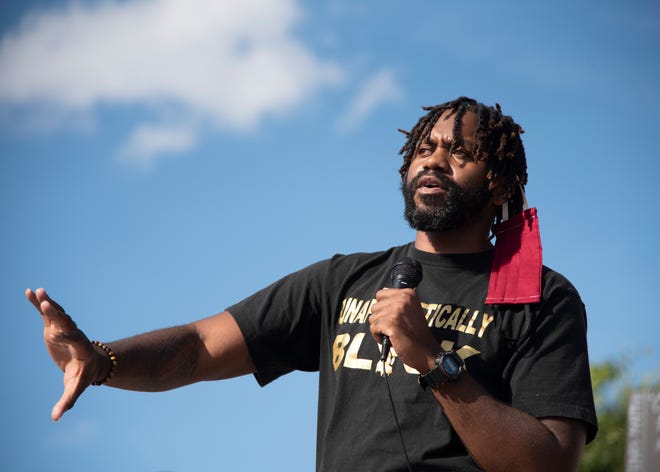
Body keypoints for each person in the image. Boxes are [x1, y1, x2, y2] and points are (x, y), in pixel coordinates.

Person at [26, 96, 597, 471]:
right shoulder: (342, 281)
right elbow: (200, 348)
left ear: (499, 188)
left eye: (461, 153)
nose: (435, 161)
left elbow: (547, 464)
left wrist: (431, 359)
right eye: (424, 149)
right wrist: (101, 360)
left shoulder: (543, 299)